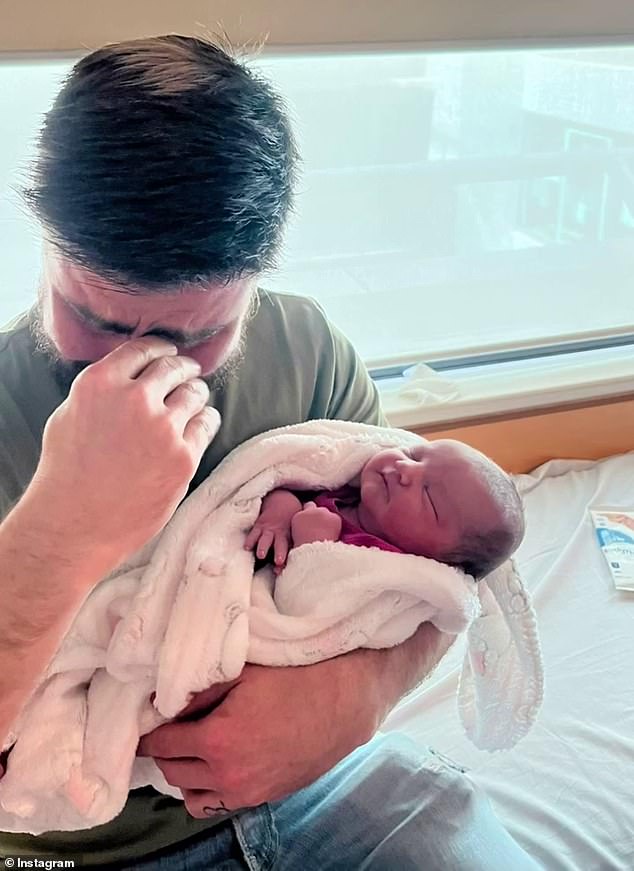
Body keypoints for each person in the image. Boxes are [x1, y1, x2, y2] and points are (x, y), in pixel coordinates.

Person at [0, 35, 541, 869]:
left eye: (198, 332)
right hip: (81, 844)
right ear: (44, 245)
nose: (136, 360)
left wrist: (351, 701)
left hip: (327, 784)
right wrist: (63, 529)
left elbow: (443, 573)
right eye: (98, 318)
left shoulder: (310, 350)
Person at [246, 439, 524, 579]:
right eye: (415, 456)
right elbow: (288, 481)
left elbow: (316, 608)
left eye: (428, 494)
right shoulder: (348, 488)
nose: (406, 469)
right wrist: (281, 512)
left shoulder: (381, 567)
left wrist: (313, 547)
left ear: (440, 564)